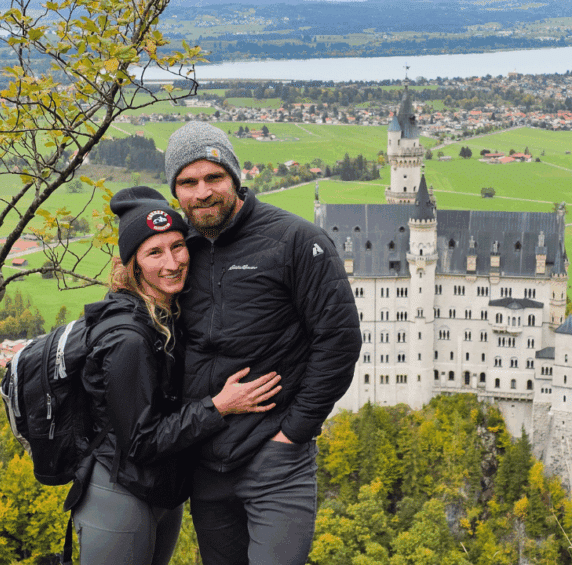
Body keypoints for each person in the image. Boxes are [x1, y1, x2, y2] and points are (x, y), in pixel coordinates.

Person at [164, 122, 362, 565]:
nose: (202, 193)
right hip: (206, 462)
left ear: (235, 177)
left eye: (213, 177)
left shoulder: (295, 241)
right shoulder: (178, 252)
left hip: (276, 460)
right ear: (175, 190)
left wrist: (292, 434)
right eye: (187, 182)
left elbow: (339, 341)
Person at [72, 186, 282, 565]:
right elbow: (140, 440)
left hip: (161, 493)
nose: (172, 262)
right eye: (154, 252)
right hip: (120, 495)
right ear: (132, 264)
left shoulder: (164, 315)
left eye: (177, 246)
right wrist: (220, 406)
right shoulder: (129, 339)